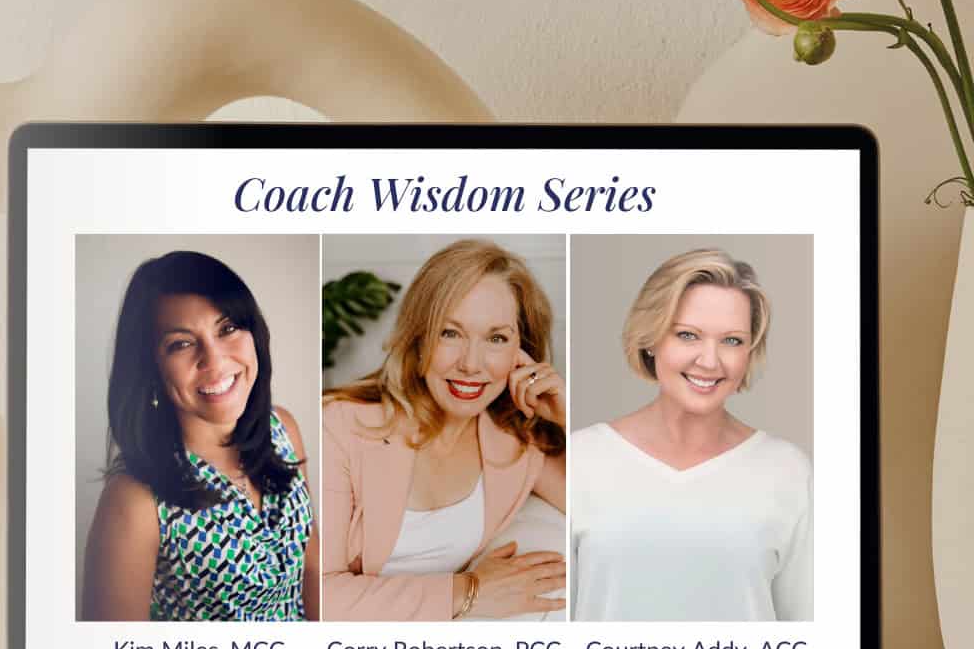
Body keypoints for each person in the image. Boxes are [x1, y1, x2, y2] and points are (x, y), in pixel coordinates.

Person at [321, 239, 568, 620]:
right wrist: (467, 591)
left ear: (523, 350)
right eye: (450, 333)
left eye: (496, 338)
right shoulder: (339, 426)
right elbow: (321, 597)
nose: (471, 363)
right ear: (419, 338)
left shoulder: (518, 441)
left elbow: (608, 511)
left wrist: (566, 415)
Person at [569, 248, 812, 621]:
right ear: (650, 338)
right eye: (688, 335)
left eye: (732, 341)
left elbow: (808, 633)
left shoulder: (788, 470)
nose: (710, 361)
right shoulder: (581, 459)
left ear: (750, 350)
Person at [82, 250, 319, 621]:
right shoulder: (134, 500)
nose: (214, 359)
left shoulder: (283, 428)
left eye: (227, 329)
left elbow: (312, 566)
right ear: (151, 368)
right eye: (181, 343)